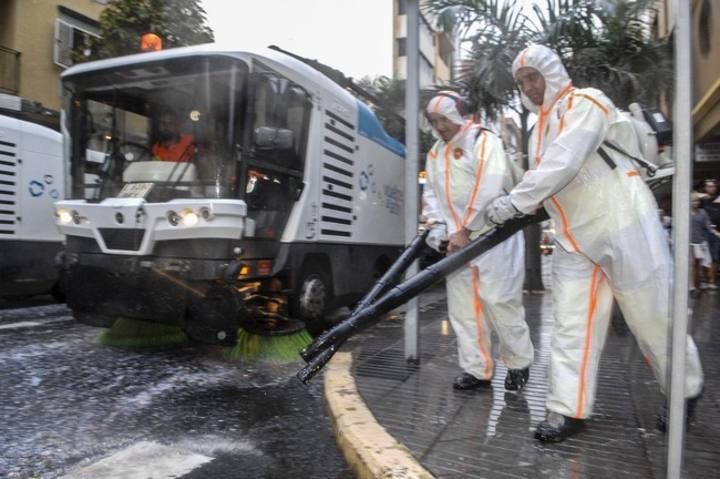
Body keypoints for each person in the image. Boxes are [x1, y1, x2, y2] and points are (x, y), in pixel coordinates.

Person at [486, 44, 704, 442]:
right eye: (521, 81)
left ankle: (684, 389)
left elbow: (565, 162)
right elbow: (552, 178)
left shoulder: (587, 102)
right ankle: (568, 409)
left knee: (651, 316)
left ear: (552, 73)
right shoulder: (539, 131)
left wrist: (514, 201)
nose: (529, 87)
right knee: (570, 324)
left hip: (624, 222)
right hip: (574, 238)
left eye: (533, 76)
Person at [422, 91, 534, 392]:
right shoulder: (435, 153)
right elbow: (431, 192)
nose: (440, 126)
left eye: (444, 119)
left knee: (501, 303)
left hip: (493, 238)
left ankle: (518, 363)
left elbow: (489, 186)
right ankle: (477, 369)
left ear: (457, 115)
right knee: (463, 309)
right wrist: (436, 225)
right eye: (434, 121)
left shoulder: (483, 141)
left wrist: (466, 229)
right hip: (456, 244)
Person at [691, 192, 719, 290]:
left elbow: (708, 225)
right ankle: (695, 285)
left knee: (706, 263)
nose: (696, 203)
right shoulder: (686, 213)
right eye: (693, 201)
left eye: (697, 201)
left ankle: (706, 282)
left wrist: (716, 233)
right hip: (691, 243)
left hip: (702, 241)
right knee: (695, 264)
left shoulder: (702, 212)